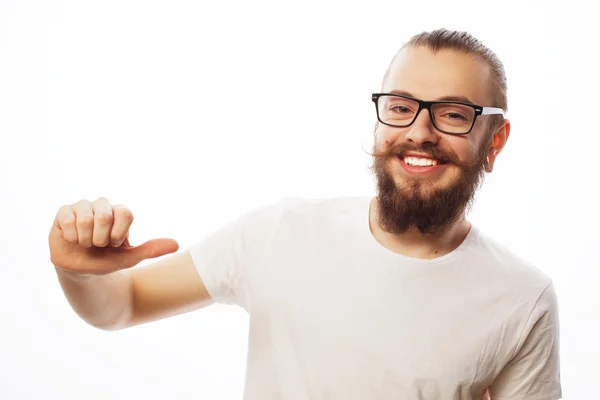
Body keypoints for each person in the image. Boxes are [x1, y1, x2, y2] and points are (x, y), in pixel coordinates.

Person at [49, 28, 561, 400]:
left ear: (494, 142)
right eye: (402, 106)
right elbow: (122, 305)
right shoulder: (280, 235)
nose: (420, 132)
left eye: (452, 114)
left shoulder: (522, 298)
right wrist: (74, 270)